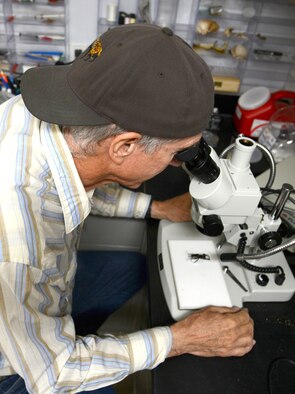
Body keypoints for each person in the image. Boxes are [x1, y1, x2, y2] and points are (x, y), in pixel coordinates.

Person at [0, 24, 255, 393]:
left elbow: (82, 175)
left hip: (43, 293)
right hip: (20, 368)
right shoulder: (21, 241)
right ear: (124, 145)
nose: (177, 164)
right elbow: (53, 372)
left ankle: (68, 333)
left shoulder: (46, 117)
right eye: (176, 154)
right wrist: (182, 338)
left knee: (132, 268)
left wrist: (159, 208)